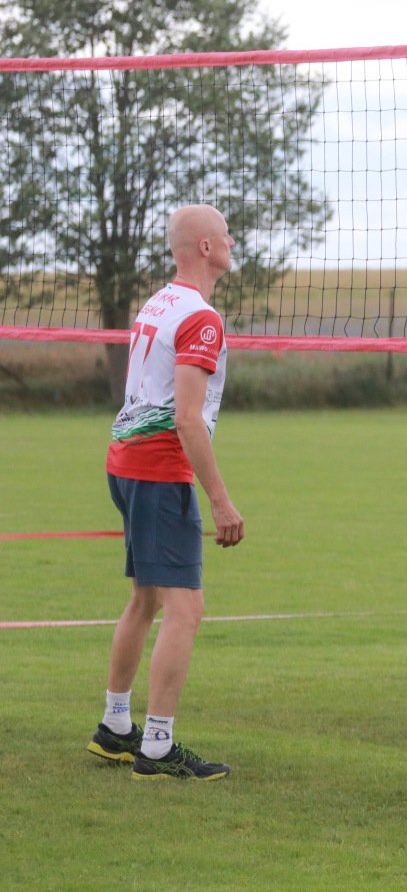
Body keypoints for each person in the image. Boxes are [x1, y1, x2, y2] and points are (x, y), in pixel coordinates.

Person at [86, 204, 244, 780]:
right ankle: (155, 746)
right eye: (225, 233)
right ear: (204, 247)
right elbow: (186, 417)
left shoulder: (159, 301)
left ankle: (115, 726)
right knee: (186, 608)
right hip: (156, 467)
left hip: (124, 459)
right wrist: (221, 499)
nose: (232, 240)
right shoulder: (200, 317)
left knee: (146, 599)